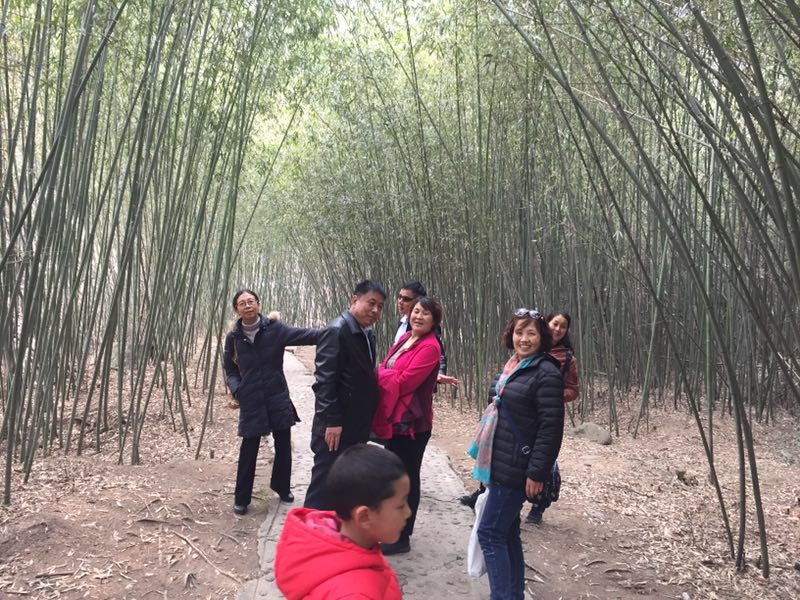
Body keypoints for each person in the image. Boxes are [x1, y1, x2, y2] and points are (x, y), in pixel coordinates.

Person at [470, 308, 564, 600]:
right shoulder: (513, 365)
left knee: (490, 534)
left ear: (542, 337)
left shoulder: (546, 372)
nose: (524, 339)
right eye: (519, 332)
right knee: (507, 533)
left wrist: (537, 472)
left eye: (531, 333)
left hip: (518, 468)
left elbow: (551, 429)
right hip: (499, 462)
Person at [223, 289, 321, 515]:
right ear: (236, 309)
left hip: (277, 394)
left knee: (283, 442)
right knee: (249, 448)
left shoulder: (275, 329)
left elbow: (307, 335)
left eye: (251, 301)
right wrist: (238, 390)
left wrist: (335, 330)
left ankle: (282, 487)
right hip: (251, 397)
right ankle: (242, 498)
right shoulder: (234, 337)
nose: (247, 306)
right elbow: (230, 368)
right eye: (242, 303)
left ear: (258, 304)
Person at [275, 443, 409, 600]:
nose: (408, 513)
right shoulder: (354, 594)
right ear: (364, 516)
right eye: (400, 506)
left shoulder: (352, 547)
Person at [304, 280, 387, 510]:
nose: (375, 310)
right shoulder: (336, 331)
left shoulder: (366, 333)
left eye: (380, 307)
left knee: (344, 484)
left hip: (355, 424)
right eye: (371, 303)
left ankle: (334, 529)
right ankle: (308, 529)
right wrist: (332, 421)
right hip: (336, 427)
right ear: (354, 300)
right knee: (323, 485)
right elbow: (324, 382)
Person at [372, 296, 443, 555]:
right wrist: (385, 374)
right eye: (416, 311)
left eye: (425, 313)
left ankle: (403, 536)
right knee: (393, 475)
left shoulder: (430, 347)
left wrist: (381, 375)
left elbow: (405, 382)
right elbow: (385, 367)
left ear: (434, 321)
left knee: (407, 478)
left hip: (413, 424)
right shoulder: (405, 338)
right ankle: (391, 527)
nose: (418, 316)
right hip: (395, 418)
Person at [524, 310, 579, 524]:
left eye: (563, 326)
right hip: (524, 412)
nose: (557, 329)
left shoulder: (567, 358)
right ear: (546, 323)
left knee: (544, 459)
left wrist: (551, 394)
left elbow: (573, 390)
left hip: (548, 415)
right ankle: (485, 494)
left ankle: (538, 507)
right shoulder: (531, 345)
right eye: (555, 323)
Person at [394, 281, 459, 387]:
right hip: (396, 380)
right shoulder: (403, 323)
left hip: (412, 383)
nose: (400, 301)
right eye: (399, 297)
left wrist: (438, 373)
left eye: (406, 299)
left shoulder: (424, 327)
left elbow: (437, 351)